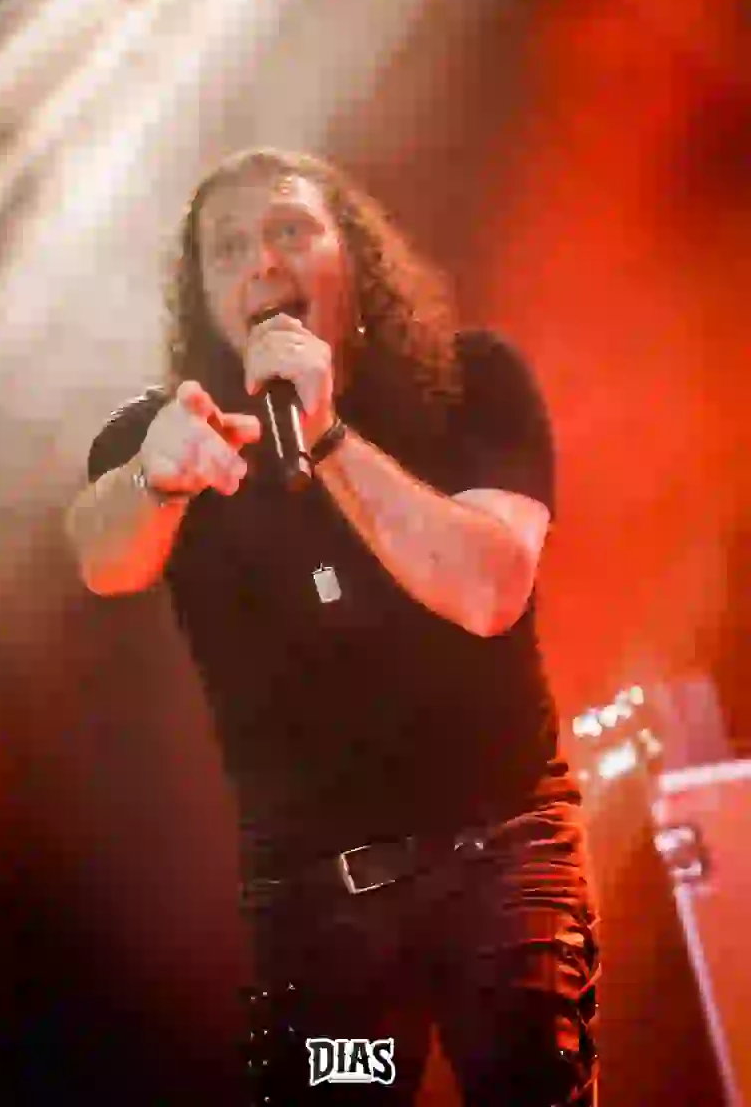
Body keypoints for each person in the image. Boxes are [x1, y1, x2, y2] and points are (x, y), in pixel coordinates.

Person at [65, 148, 599, 1104]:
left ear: (352, 258)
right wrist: (155, 479)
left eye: (290, 230)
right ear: (203, 297)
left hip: (502, 863)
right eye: (229, 248)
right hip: (320, 909)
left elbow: (489, 592)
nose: (262, 262)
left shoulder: (470, 381)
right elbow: (102, 557)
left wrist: (327, 437)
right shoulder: (169, 433)